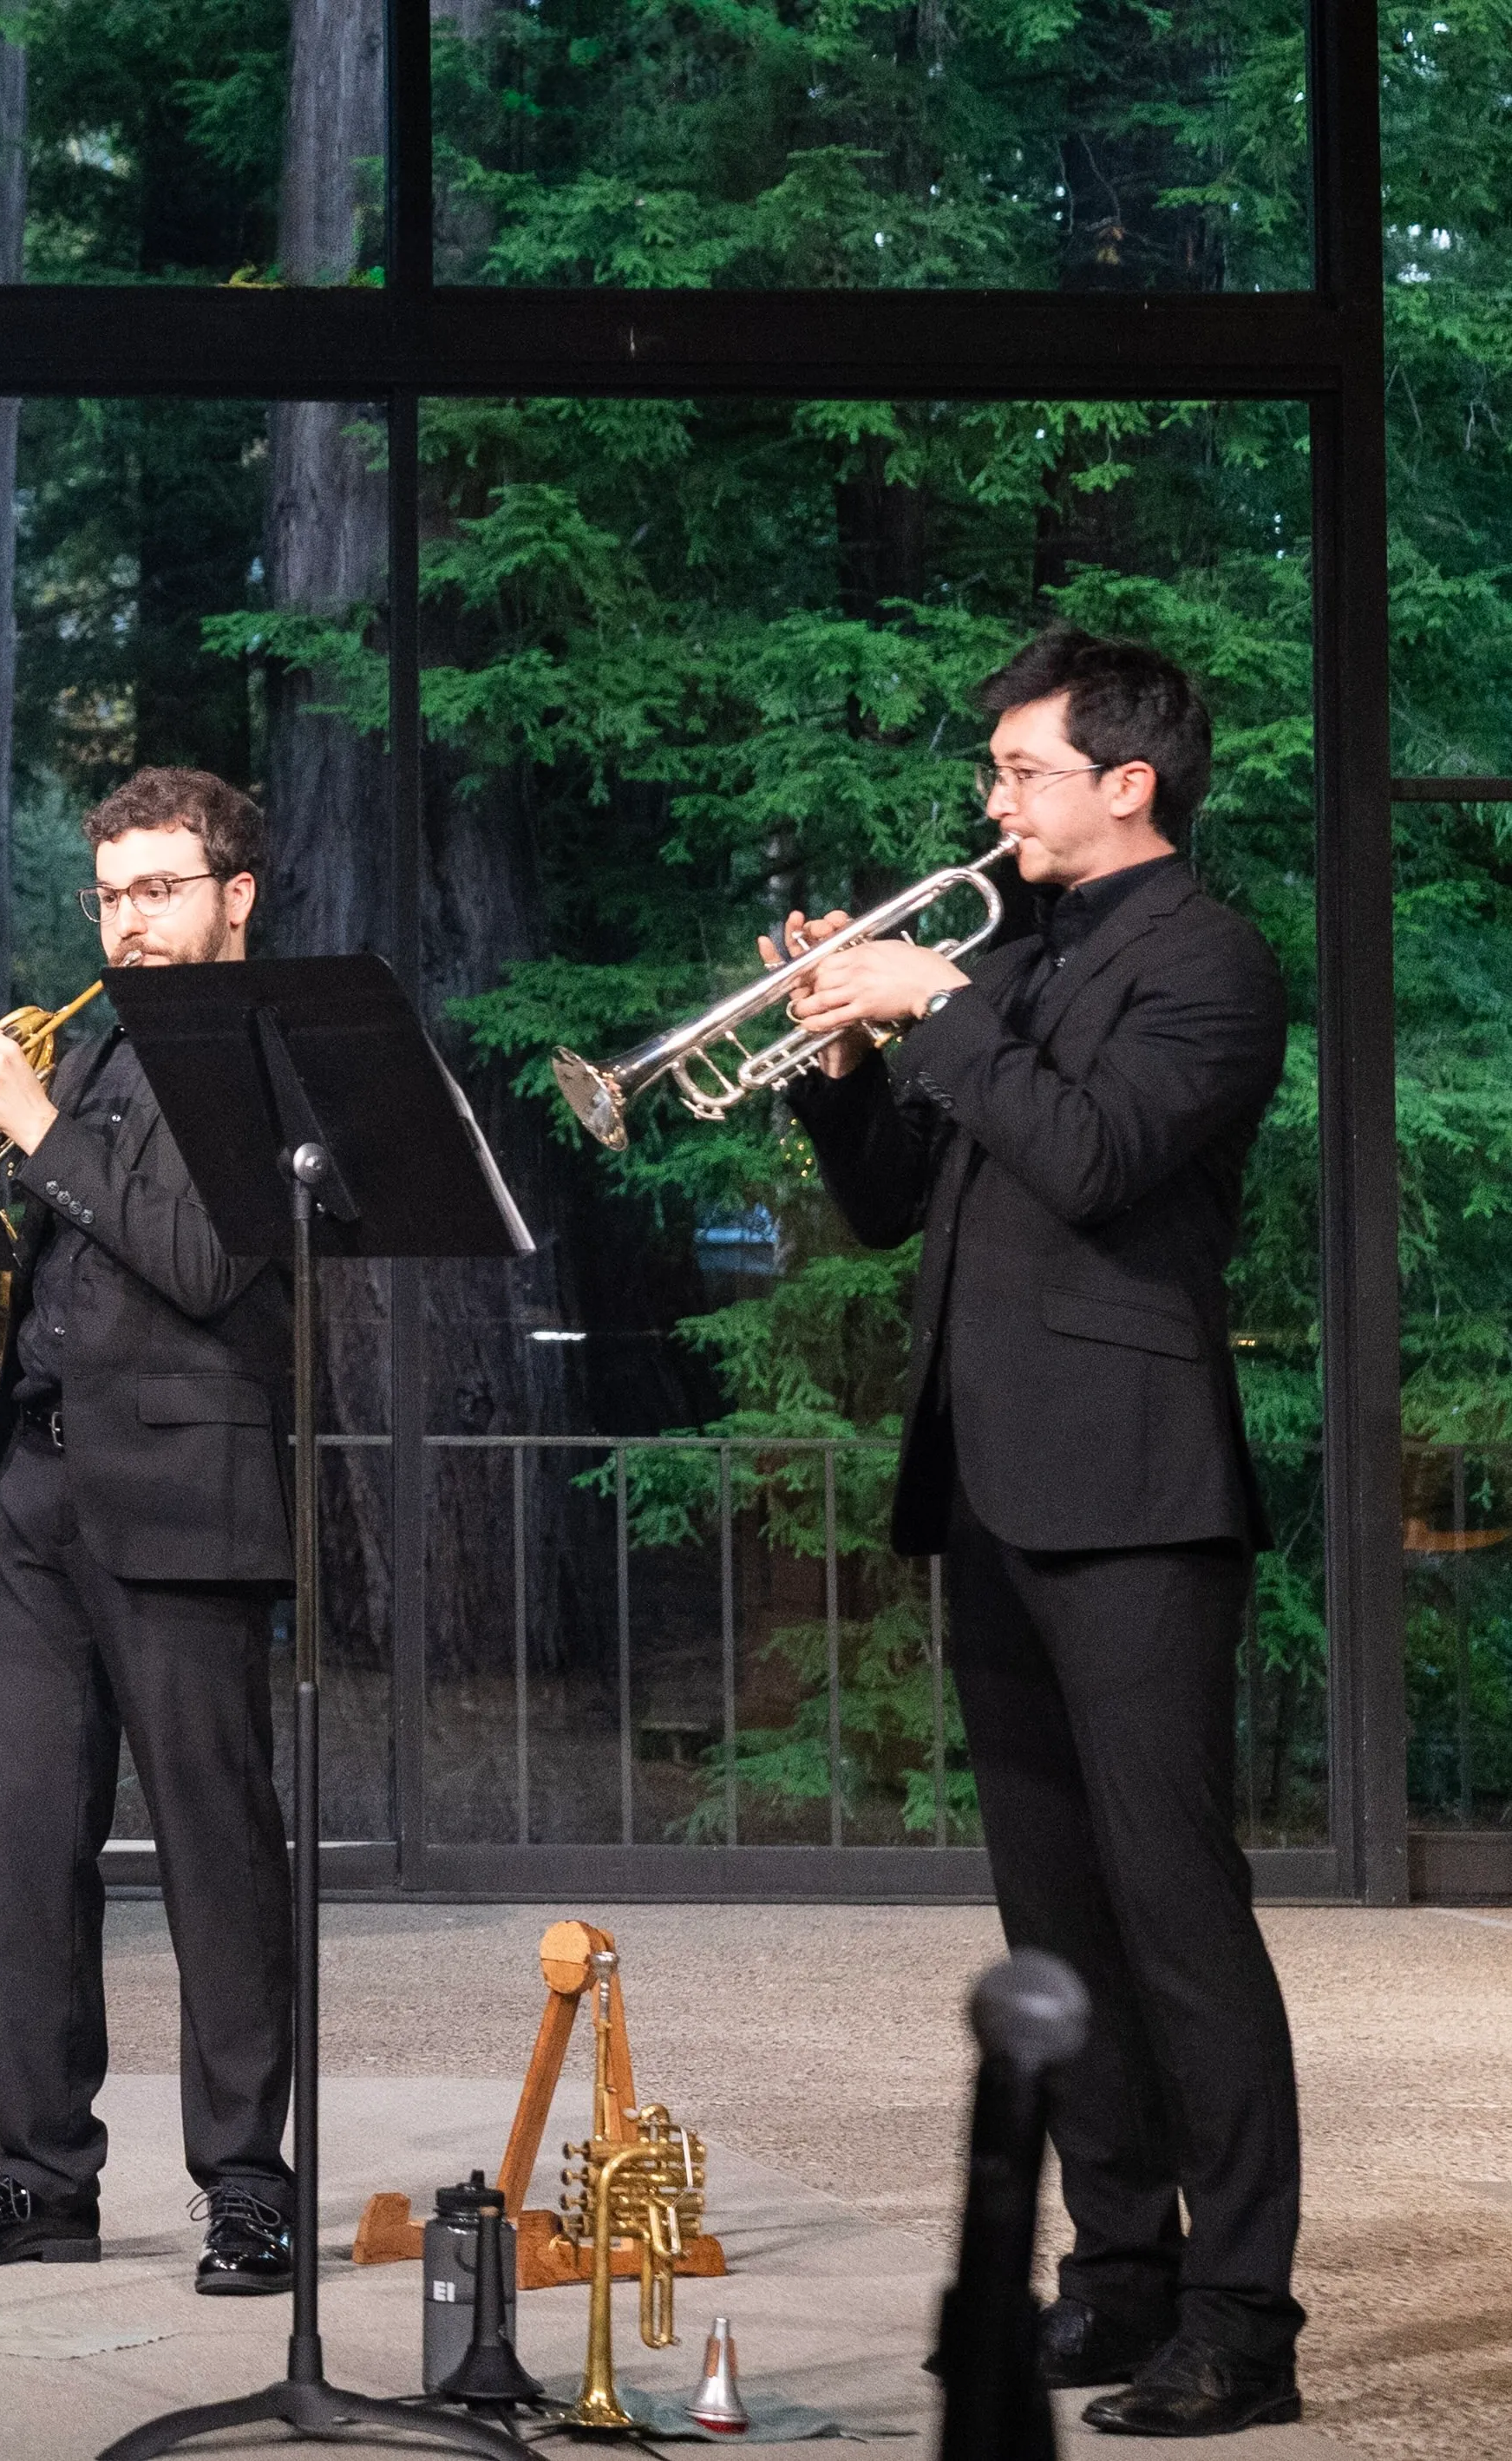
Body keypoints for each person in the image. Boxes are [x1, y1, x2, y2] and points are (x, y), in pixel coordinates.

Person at [777, 627, 1301, 2438]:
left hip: (1140, 1490)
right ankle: (1119, 2270)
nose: (989, 805)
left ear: (1126, 780)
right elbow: (883, 1210)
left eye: (1019, 772)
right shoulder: (1031, 956)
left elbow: (1091, 1161)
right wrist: (839, 1056)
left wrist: (936, 1006)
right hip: (992, 1482)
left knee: (1176, 1916)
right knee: (1058, 1920)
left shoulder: (1210, 962)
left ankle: (1244, 2316)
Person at [0, 766, 303, 2296]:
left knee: (216, 1851)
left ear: (235, 896)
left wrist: (30, 1118)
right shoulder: (114, 1034)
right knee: (29, 1854)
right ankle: (42, 2174)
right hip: (39, 1485)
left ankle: (247, 2181)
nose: (128, 919)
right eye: (112, 892)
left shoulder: (267, 1048)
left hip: (189, 1491)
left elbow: (199, 1260)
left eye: (161, 889)